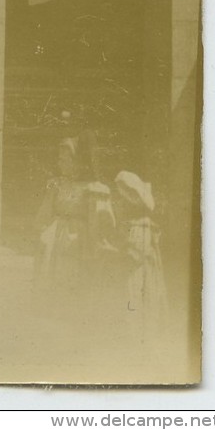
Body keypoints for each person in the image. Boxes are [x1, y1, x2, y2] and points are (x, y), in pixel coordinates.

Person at [32, 131, 115, 314]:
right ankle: (51, 309)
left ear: (78, 162)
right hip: (56, 233)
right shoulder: (55, 184)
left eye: (65, 159)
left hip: (79, 236)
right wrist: (41, 229)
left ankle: (73, 311)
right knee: (51, 269)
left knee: (73, 271)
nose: (59, 163)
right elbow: (45, 210)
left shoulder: (93, 188)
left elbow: (102, 219)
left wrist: (99, 240)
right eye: (59, 159)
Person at [109, 170, 168, 342]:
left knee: (137, 303)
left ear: (133, 201)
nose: (119, 202)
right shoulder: (131, 225)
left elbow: (134, 255)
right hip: (133, 271)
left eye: (123, 198)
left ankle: (137, 340)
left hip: (139, 275)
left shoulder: (141, 227)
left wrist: (111, 250)